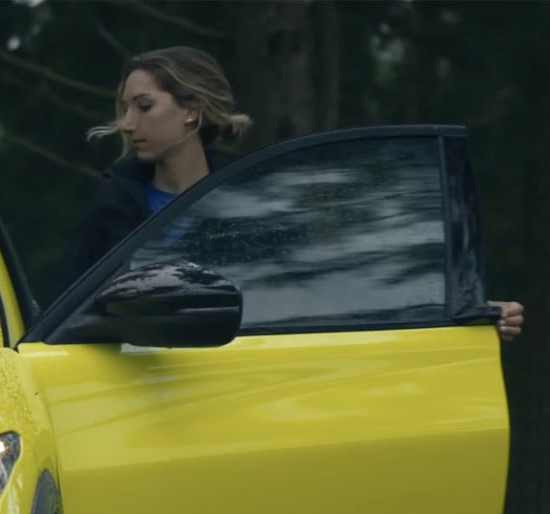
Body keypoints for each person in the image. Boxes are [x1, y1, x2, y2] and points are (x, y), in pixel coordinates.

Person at [70, 45, 525, 343]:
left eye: (143, 107)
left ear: (191, 112)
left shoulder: (251, 203)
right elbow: (75, 315)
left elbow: (331, 300)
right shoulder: (112, 206)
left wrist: (464, 318)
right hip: (137, 402)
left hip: (247, 389)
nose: (128, 124)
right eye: (125, 109)